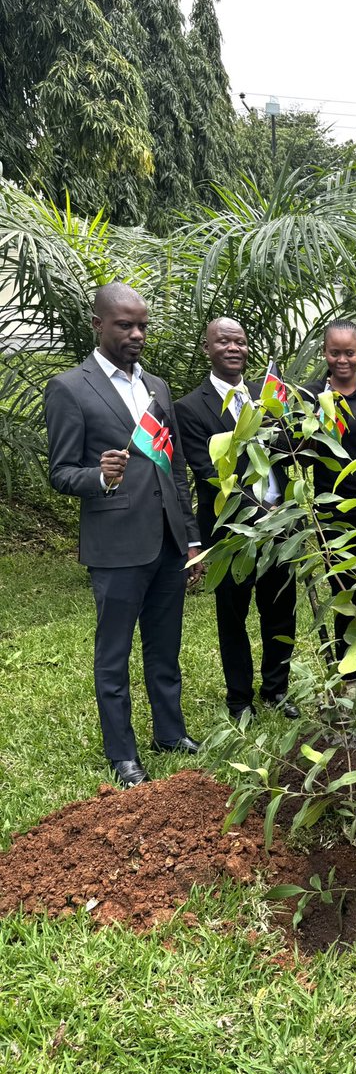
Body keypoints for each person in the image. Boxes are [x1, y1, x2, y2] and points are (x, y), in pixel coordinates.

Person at [43, 283, 202, 788]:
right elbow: (61, 471)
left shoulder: (156, 386)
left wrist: (191, 536)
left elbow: (175, 467)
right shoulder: (71, 388)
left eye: (143, 326)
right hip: (115, 546)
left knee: (165, 646)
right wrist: (99, 476)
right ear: (98, 325)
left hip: (168, 542)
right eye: (125, 325)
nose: (137, 334)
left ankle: (170, 733)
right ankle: (123, 754)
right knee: (113, 653)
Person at [175, 317, 299, 721]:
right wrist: (259, 511)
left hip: (282, 530)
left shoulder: (267, 399)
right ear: (207, 348)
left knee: (280, 611)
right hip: (231, 533)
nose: (233, 348)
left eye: (240, 342)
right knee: (234, 617)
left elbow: (287, 453)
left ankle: (277, 689)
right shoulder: (190, 408)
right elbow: (207, 470)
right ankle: (240, 698)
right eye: (223, 341)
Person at [300, 319, 356, 680]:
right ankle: (349, 675)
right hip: (333, 512)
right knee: (344, 594)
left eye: (349, 352)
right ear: (325, 352)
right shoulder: (310, 397)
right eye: (334, 352)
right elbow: (296, 450)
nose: (342, 360)